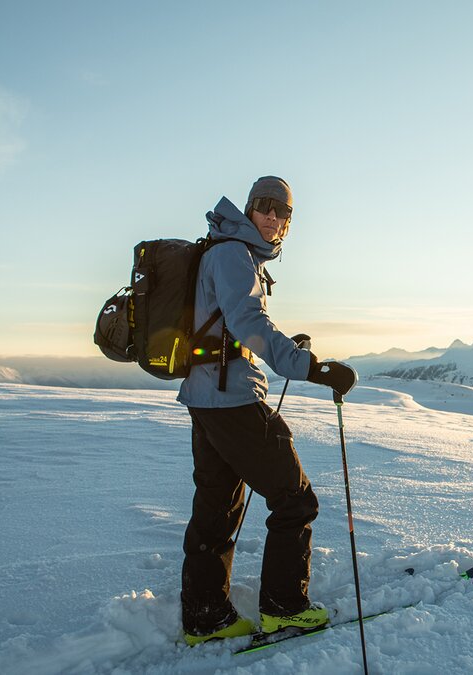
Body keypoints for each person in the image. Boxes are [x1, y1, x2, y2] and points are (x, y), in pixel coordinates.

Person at [176, 175, 358, 646]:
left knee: (217, 506)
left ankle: (205, 616)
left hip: (206, 396)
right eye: (265, 206)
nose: (273, 217)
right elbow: (248, 321)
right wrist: (312, 368)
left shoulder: (226, 249)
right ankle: (284, 608)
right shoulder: (235, 252)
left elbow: (231, 326)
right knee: (294, 499)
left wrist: (273, 348)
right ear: (250, 208)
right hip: (231, 398)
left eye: (283, 212)